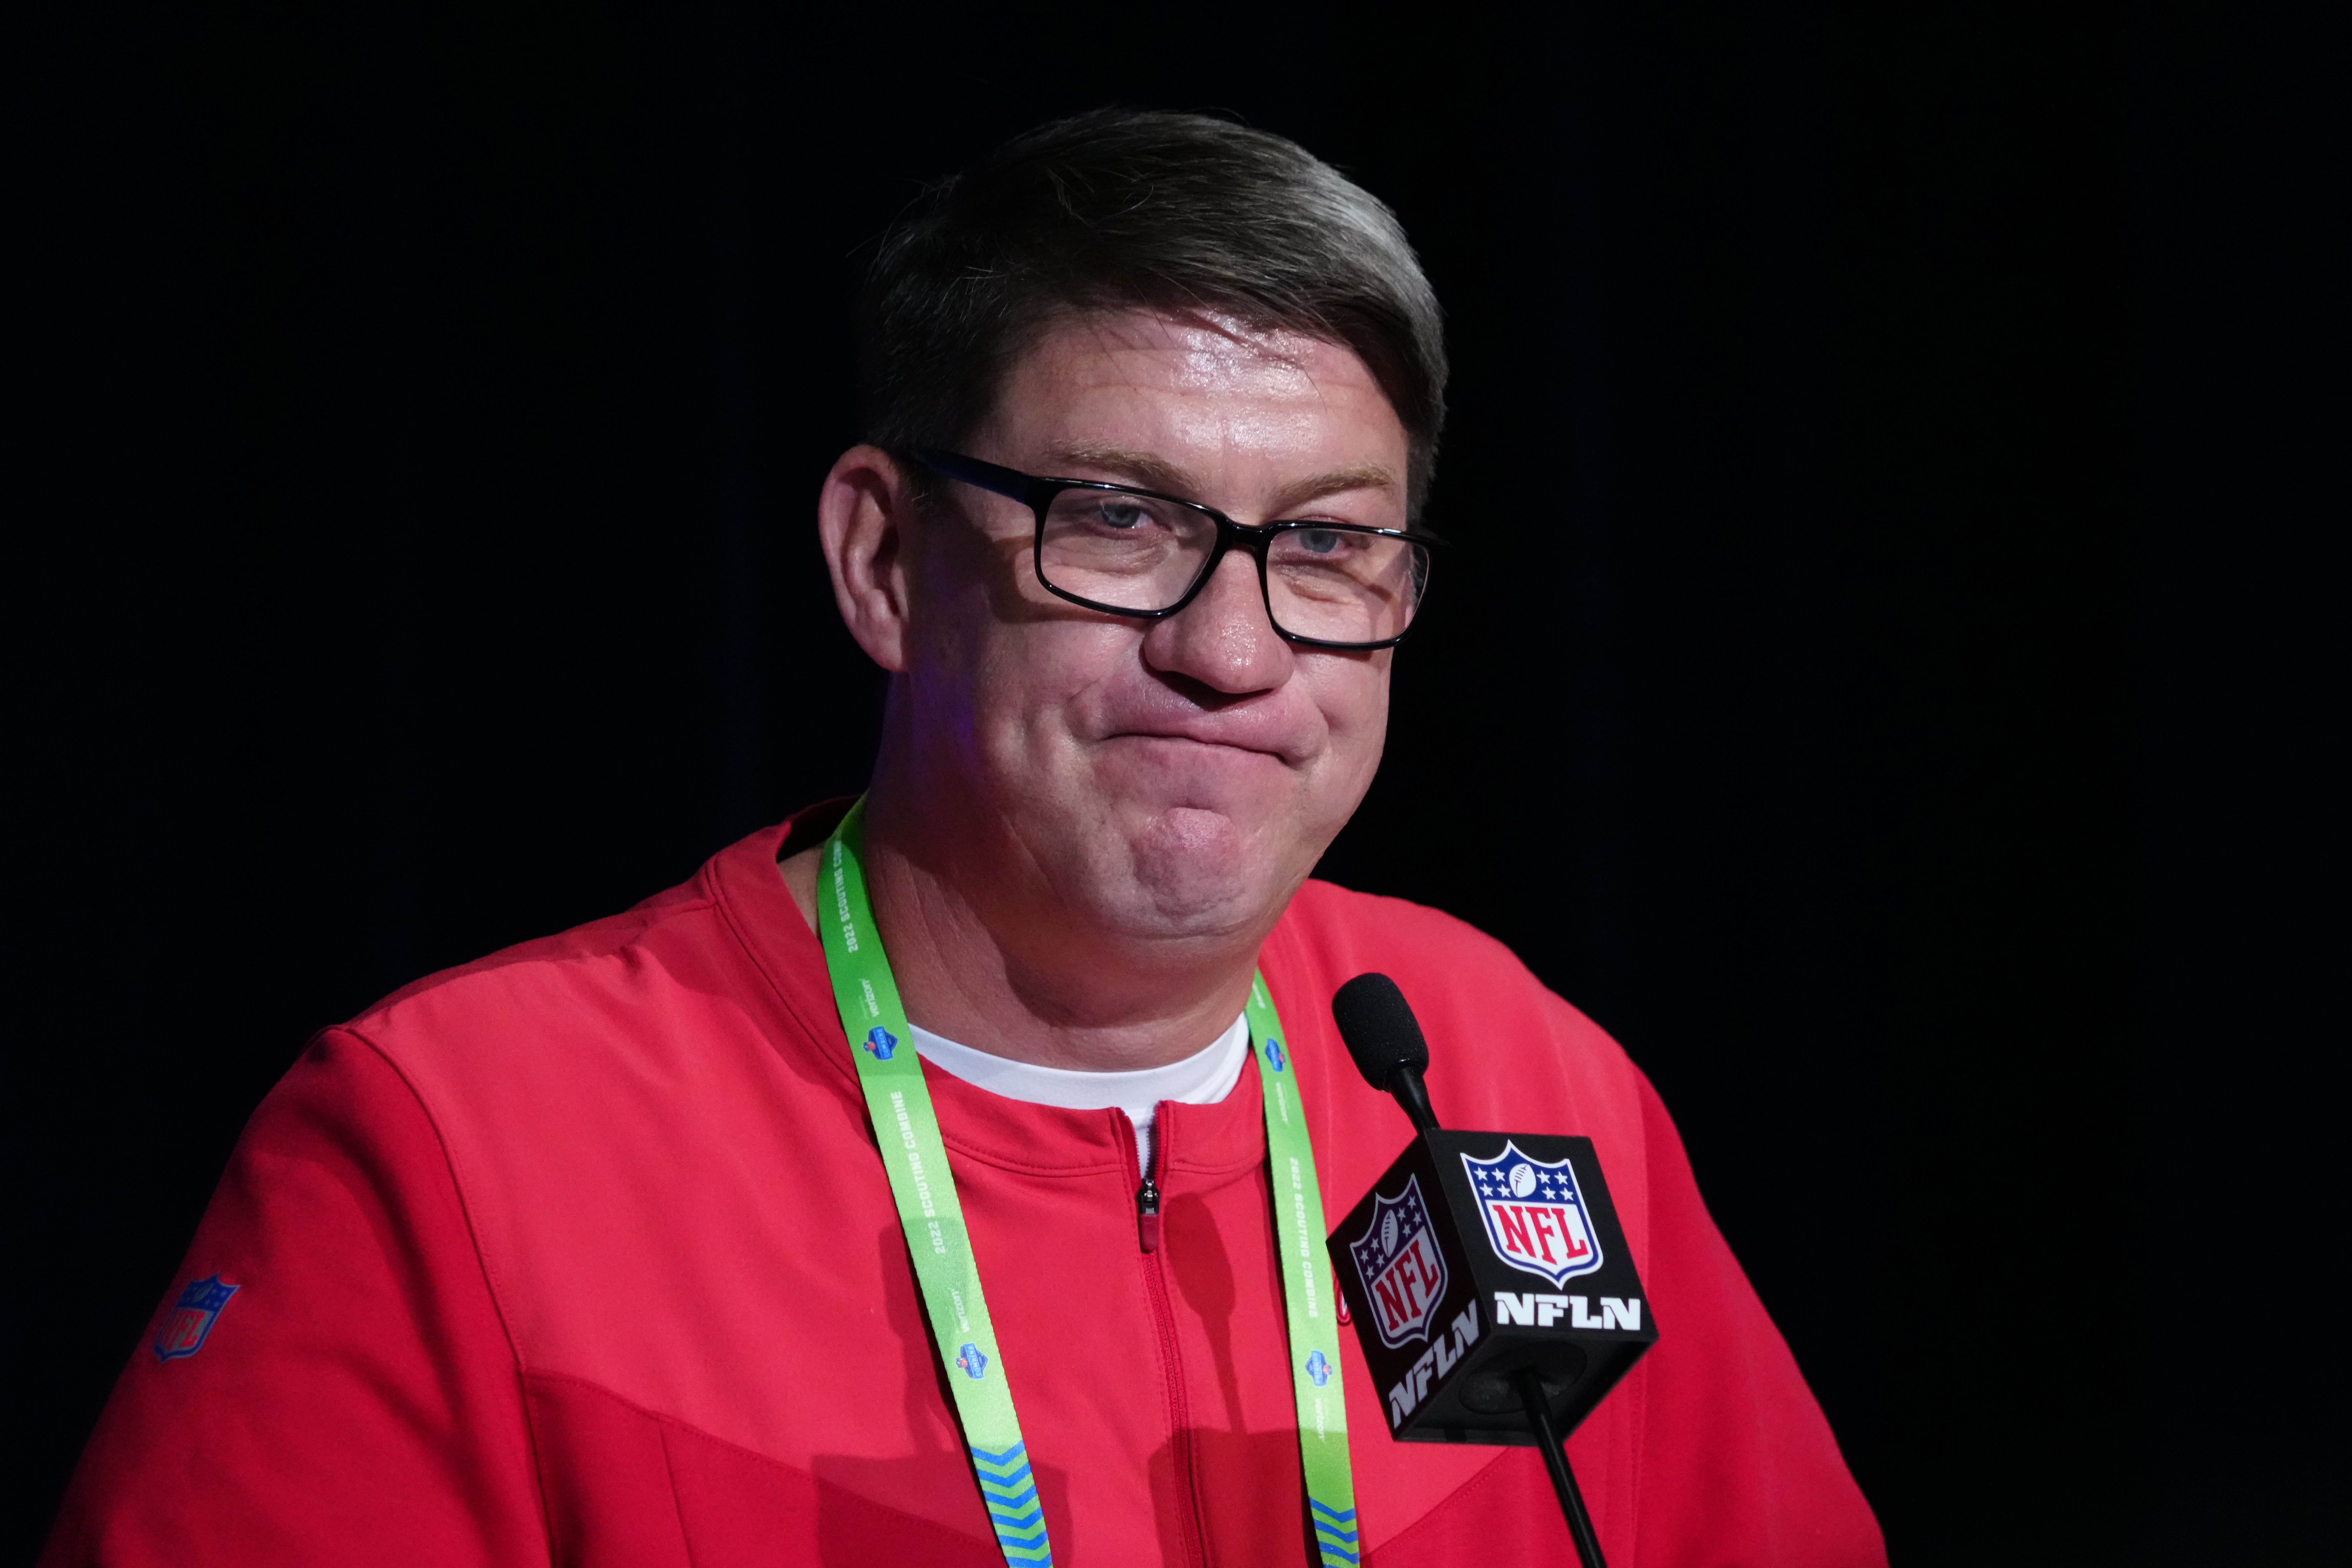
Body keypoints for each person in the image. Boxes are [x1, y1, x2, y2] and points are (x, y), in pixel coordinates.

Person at [44, 110, 1883, 1567]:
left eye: (1325, 545)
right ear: (880, 560)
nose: (1233, 652)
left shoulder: (1509, 1076)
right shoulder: (459, 1149)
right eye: (1118, 519)